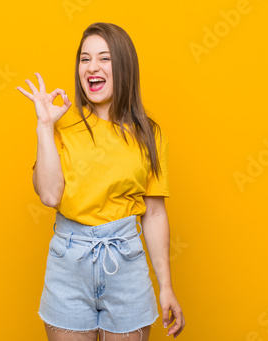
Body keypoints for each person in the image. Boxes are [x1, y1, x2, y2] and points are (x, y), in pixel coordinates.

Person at [16, 22, 185, 341]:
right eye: (85, 59)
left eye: (104, 58)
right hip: (68, 263)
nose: (92, 67)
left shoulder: (149, 134)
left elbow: (155, 213)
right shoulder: (61, 126)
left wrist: (166, 287)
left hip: (127, 264)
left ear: (124, 66)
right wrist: (44, 127)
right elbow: (50, 196)